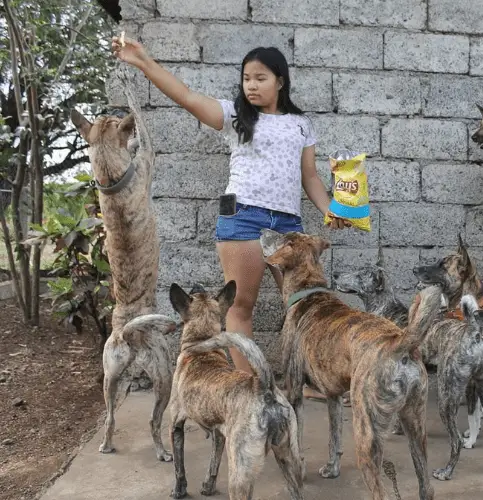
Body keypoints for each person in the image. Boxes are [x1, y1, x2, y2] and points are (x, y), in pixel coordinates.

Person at [111, 36, 350, 402]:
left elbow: (311, 177)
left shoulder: (301, 124)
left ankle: (309, 380)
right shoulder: (235, 116)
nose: (251, 85)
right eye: (246, 78)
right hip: (243, 218)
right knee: (241, 307)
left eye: (260, 78)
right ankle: (250, 387)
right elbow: (187, 97)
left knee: (305, 305)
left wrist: (330, 209)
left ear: (280, 81)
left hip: (288, 225)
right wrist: (144, 62)